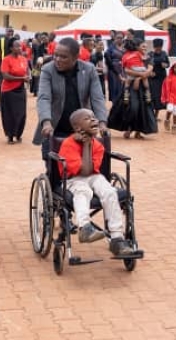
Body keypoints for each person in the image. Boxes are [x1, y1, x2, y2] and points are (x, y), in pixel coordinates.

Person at [58, 109, 135, 256]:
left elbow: (90, 171)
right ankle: (85, 228)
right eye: (88, 119)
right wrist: (86, 145)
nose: (94, 120)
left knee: (110, 192)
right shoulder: (68, 144)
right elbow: (83, 171)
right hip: (73, 179)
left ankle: (117, 239)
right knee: (83, 191)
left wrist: (88, 144)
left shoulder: (98, 145)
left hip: (93, 176)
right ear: (77, 128)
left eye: (94, 117)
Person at [34, 37, 108, 161]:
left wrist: (102, 123)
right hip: (55, 128)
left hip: (82, 128)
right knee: (55, 170)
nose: (57, 59)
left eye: (63, 57)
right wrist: (46, 122)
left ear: (75, 57)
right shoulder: (48, 70)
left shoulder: (89, 70)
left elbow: (98, 98)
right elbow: (44, 98)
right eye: (55, 55)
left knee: (84, 166)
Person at [108, 38, 158, 139]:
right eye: (142, 46)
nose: (145, 48)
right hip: (131, 87)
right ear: (137, 47)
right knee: (132, 107)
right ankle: (129, 128)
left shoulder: (149, 57)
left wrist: (139, 79)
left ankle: (138, 132)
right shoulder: (129, 56)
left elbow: (150, 70)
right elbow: (126, 70)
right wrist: (140, 76)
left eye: (145, 46)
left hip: (143, 87)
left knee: (143, 109)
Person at [0, 37, 31, 144]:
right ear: (11, 48)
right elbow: (5, 76)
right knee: (10, 114)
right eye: (17, 46)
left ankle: (18, 134)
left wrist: (28, 76)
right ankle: (10, 136)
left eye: (20, 45)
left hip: (20, 89)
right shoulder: (6, 60)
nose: (20, 48)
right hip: (8, 90)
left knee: (21, 113)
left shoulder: (23, 59)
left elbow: (27, 71)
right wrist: (22, 79)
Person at [161, 60, 176, 132]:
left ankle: (174, 126)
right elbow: (165, 88)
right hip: (170, 97)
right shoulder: (169, 78)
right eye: (175, 68)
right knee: (169, 109)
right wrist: (165, 98)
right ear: (172, 68)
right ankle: (167, 120)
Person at [149, 38, 170, 116]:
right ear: (154, 47)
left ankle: (156, 115)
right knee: (153, 95)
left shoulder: (164, 53)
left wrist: (166, 65)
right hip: (152, 78)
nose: (158, 48)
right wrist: (150, 72)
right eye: (157, 47)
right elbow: (145, 64)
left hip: (162, 78)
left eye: (160, 47)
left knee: (160, 96)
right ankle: (151, 114)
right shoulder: (150, 54)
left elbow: (168, 64)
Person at [104, 32, 125, 102]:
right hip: (113, 71)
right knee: (114, 89)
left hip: (123, 71)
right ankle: (114, 106)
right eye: (118, 38)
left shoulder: (125, 48)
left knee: (123, 89)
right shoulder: (110, 48)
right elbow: (107, 59)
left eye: (121, 38)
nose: (119, 39)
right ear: (115, 38)